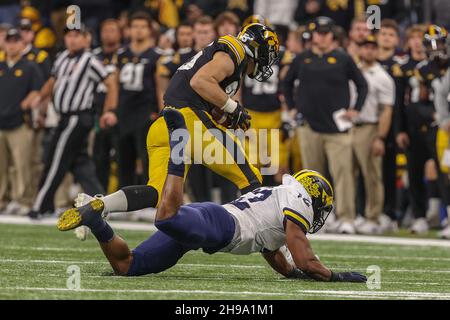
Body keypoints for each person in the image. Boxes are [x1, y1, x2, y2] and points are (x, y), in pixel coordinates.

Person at [56, 108, 366, 284]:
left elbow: (279, 257)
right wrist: (333, 275)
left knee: (127, 267)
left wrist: (296, 274)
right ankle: (180, 147)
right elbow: (303, 256)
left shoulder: (281, 205)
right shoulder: (296, 202)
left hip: (209, 230)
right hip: (219, 223)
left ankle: (97, 220)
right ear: (311, 195)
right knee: (166, 217)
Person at [67, 23, 279, 227]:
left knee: (159, 194)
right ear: (257, 47)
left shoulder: (227, 58)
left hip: (163, 126)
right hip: (188, 122)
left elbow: (201, 89)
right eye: (268, 53)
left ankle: (97, 205)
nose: (268, 60)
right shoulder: (236, 50)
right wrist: (233, 108)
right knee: (250, 177)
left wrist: (225, 113)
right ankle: (271, 240)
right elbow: (201, 81)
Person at [283, 17, 368, 234]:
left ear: (332, 35)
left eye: (324, 33)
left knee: (343, 175)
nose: (320, 36)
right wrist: (292, 107)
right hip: (309, 127)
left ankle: (346, 217)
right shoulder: (303, 58)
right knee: (312, 178)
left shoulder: (343, 58)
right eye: (317, 33)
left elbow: (362, 84)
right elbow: (286, 82)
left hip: (337, 130)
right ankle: (315, 217)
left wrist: (355, 109)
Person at [27, 25, 119, 218]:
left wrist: (109, 110)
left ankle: (41, 205)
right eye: (69, 35)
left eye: (77, 36)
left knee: (56, 159)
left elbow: (110, 82)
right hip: (65, 117)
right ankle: (103, 203)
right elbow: (52, 82)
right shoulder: (61, 58)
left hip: (78, 117)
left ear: (86, 39)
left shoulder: (90, 60)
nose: (72, 39)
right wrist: (40, 100)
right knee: (80, 163)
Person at [351, 35, 395, 234]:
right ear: (359, 49)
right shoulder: (352, 71)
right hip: (349, 127)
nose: (368, 51)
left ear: (377, 51)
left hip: (370, 126)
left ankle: (374, 217)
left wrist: (380, 137)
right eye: (364, 46)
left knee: (371, 175)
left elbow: (387, 110)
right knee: (348, 174)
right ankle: (353, 215)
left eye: (372, 47)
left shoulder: (382, 76)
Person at [0, 29, 43, 215]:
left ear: (22, 44)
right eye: (8, 41)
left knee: (21, 165)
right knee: (1, 166)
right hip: (0, 123)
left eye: (15, 41)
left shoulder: (30, 66)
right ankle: (3, 199)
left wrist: (29, 102)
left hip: (20, 123)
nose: (11, 44)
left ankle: (23, 200)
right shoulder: (1, 66)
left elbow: (38, 90)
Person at [116, 12, 162, 187]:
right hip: (124, 112)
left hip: (146, 112)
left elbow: (160, 86)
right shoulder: (121, 54)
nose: (138, 30)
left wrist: (160, 111)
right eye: (135, 26)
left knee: (147, 157)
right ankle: (125, 200)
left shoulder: (157, 55)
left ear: (150, 30)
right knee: (123, 159)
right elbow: (114, 85)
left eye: (143, 26)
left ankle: (150, 198)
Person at [412, 24, 450, 235]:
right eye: (431, 44)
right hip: (437, 128)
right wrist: (435, 115)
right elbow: (419, 102)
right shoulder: (423, 69)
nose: (436, 48)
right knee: (443, 172)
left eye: (440, 42)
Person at [92, 19, 122, 191]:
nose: (108, 34)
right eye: (105, 30)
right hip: (97, 112)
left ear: (119, 33)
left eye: (113, 30)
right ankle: (99, 196)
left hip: (118, 113)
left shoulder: (124, 55)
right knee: (99, 158)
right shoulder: (93, 55)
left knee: (122, 157)